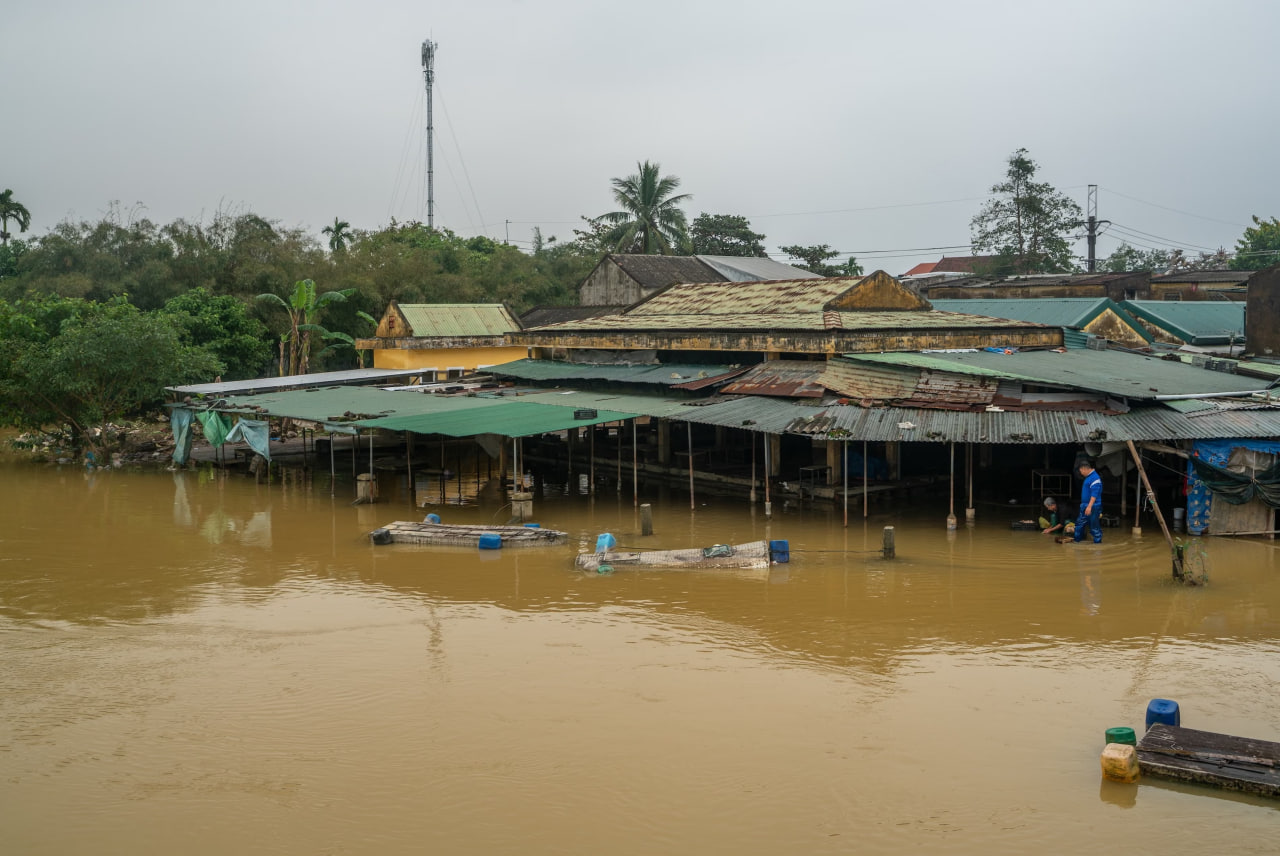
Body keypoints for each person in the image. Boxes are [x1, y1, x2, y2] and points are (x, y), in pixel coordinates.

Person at [1073, 460, 1104, 543]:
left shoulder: (1095, 478)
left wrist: (1089, 506)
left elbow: (1095, 494)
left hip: (1093, 506)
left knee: (1094, 527)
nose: (1081, 473)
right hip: (1085, 505)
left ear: (1084, 469)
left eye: (1081, 471)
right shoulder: (1089, 477)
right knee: (1079, 525)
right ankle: (1076, 542)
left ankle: (1097, 546)